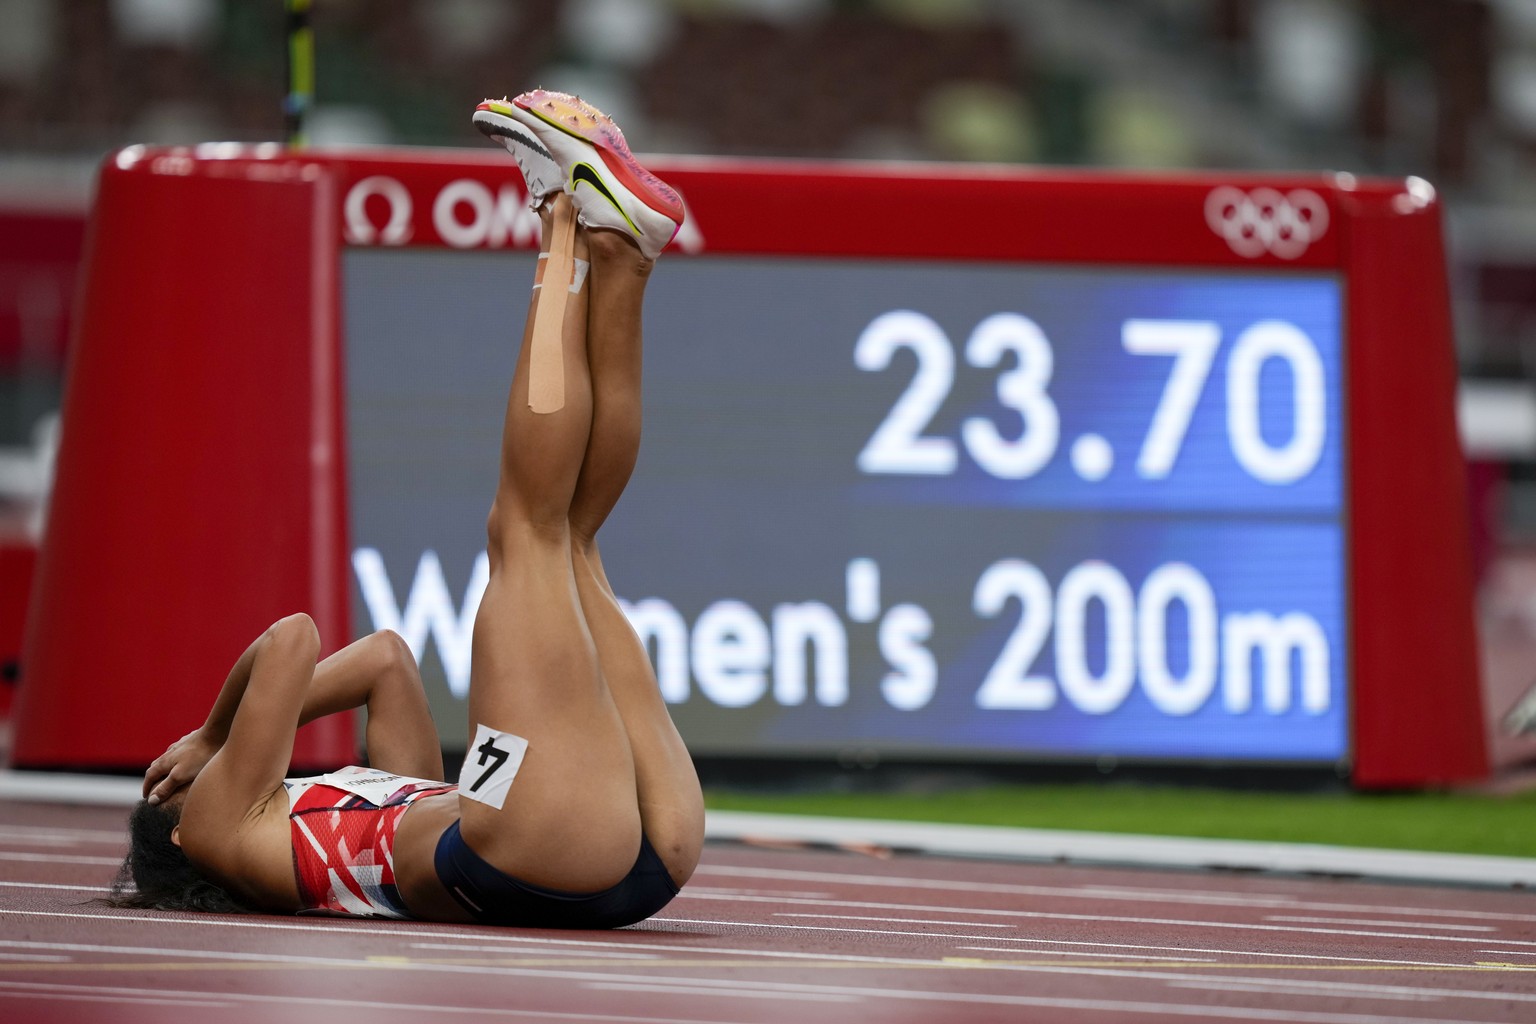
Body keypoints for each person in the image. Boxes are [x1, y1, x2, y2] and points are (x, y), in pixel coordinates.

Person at [110, 90, 705, 928]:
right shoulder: (210, 831)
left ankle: (623, 260)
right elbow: (291, 643)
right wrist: (212, 737)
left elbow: (387, 660)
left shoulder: (343, 812)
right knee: (523, 533)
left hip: (603, 852)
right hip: (525, 849)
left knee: (571, 537)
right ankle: (562, 223)